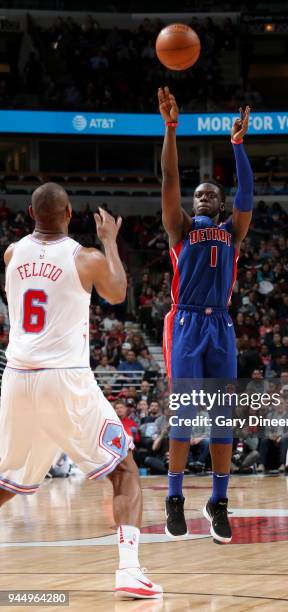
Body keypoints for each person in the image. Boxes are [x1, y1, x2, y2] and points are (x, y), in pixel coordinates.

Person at [0, 183, 162, 599]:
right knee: (124, 469)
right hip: (64, 377)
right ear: (70, 213)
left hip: (18, 378)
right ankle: (128, 570)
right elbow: (118, 292)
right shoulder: (84, 257)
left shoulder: (12, 254)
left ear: (32, 214)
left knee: (6, 481)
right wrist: (110, 242)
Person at [158, 86, 253, 543]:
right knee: (183, 417)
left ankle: (218, 501)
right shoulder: (179, 228)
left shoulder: (231, 231)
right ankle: (174, 497)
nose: (201, 198)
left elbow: (248, 195)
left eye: (210, 194)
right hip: (187, 323)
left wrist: (237, 147)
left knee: (222, 421)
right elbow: (169, 179)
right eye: (198, 194)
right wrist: (171, 131)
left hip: (221, 326)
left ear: (219, 204)